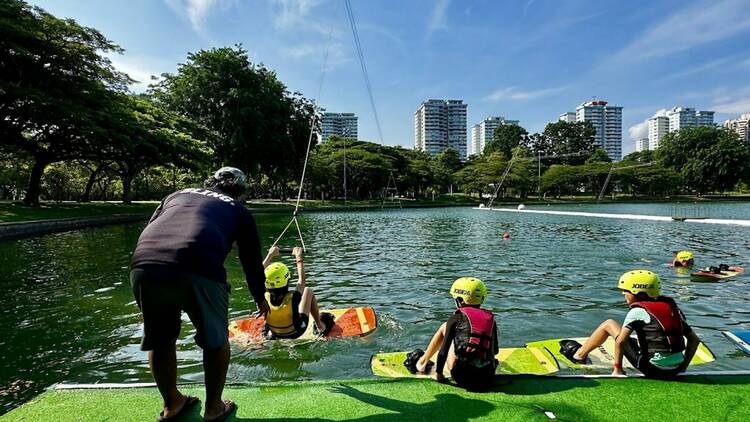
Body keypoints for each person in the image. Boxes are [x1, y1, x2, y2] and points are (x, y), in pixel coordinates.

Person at [130, 167, 269, 421]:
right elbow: (250, 259)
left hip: (144, 265)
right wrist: (260, 296)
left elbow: (152, 227)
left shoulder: (176, 195)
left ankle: (173, 404)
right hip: (199, 267)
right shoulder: (238, 209)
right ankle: (214, 408)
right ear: (240, 192)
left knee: (161, 340)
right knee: (216, 340)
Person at [559, 270, 700, 378]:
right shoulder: (672, 308)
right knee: (632, 339)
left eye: (625, 291)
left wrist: (617, 370)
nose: (623, 294)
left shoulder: (638, 311)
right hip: (676, 369)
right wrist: (683, 368)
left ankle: (578, 356)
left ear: (637, 292)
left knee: (609, 324)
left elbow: (620, 341)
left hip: (651, 369)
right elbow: (694, 340)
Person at [405, 277, 499, 391]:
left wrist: (438, 374)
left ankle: (421, 363)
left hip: (462, 377)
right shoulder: (490, 319)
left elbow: (443, 352)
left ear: (460, 299)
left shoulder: (455, 318)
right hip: (487, 376)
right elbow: (495, 351)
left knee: (444, 327)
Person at [262, 246, 334, 339]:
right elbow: (302, 280)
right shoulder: (293, 298)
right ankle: (320, 326)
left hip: (276, 332)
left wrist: (270, 255)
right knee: (308, 291)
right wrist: (298, 256)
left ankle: (269, 331)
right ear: (287, 280)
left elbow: (254, 277)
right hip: (297, 331)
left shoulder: (262, 297)